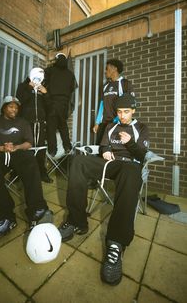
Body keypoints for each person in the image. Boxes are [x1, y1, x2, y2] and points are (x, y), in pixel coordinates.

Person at [58, 94, 149, 285]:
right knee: (78, 161)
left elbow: (142, 154)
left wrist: (130, 142)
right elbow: (103, 145)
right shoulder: (111, 126)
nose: (122, 116)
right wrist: (105, 150)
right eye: (119, 112)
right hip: (110, 164)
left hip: (129, 166)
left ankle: (116, 242)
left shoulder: (140, 127)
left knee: (132, 171)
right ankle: (77, 221)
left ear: (133, 111)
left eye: (126, 112)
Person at [0, 96, 53, 240]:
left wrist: (17, 147)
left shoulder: (23, 122)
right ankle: (5, 216)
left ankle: (37, 210)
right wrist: (1, 148)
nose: (14, 109)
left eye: (16, 107)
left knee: (31, 162)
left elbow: (29, 143)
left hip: (17, 153)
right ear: (4, 107)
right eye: (11, 106)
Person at [16, 67, 53, 183]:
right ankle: (19, 173)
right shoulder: (23, 86)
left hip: (40, 123)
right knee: (25, 148)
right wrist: (29, 87)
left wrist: (45, 93)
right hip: (26, 123)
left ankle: (42, 173)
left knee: (41, 149)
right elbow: (20, 99)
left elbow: (49, 106)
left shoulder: (43, 88)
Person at [93, 59, 134, 144]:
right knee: (100, 148)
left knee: (113, 151)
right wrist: (97, 123)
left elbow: (130, 105)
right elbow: (102, 105)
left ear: (114, 68)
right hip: (104, 124)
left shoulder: (125, 84)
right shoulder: (106, 86)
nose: (105, 71)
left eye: (107, 68)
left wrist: (119, 120)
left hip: (117, 124)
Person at [45, 53, 77, 157]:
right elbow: (73, 88)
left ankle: (52, 150)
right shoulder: (70, 74)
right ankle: (67, 147)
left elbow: (43, 79)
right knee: (63, 126)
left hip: (52, 102)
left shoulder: (50, 70)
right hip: (64, 104)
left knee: (51, 127)